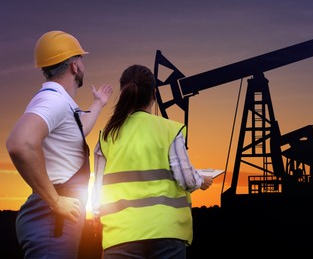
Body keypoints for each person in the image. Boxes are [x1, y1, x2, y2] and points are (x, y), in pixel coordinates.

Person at [6, 30, 113, 258]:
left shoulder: (61, 100)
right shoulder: (51, 100)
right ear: (75, 66)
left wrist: (98, 104)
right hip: (50, 221)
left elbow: (78, 130)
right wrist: (55, 201)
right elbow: (19, 143)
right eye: (81, 59)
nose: (84, 64)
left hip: (54, 221)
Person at [92, 64, 213, 258]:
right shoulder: (169, 130)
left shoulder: (107, 136)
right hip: (166, 232)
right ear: (154, 94)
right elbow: (187, 180)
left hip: (121, 235)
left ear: (124, 93)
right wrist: (202, 180)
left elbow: (97, 199)